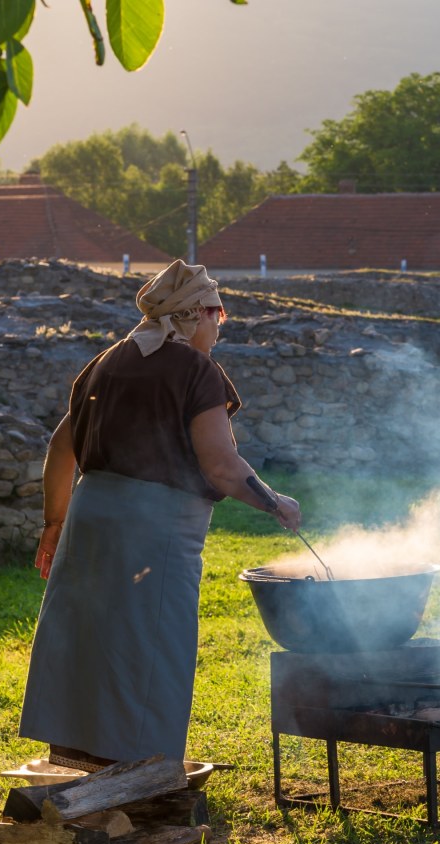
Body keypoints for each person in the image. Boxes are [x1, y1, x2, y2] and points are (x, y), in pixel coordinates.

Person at [19, 259, 301, 771]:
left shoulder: (107, 361)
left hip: (89, 519)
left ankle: (74, 758)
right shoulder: (196, 370)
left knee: (86, 640)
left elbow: (63, 448)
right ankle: (138, 769)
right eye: (219, 314)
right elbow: (220, 466)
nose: (220, 326)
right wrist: (275, 503)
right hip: (154, 529)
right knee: (147, 646)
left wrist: (55, 523)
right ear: (196, 314)